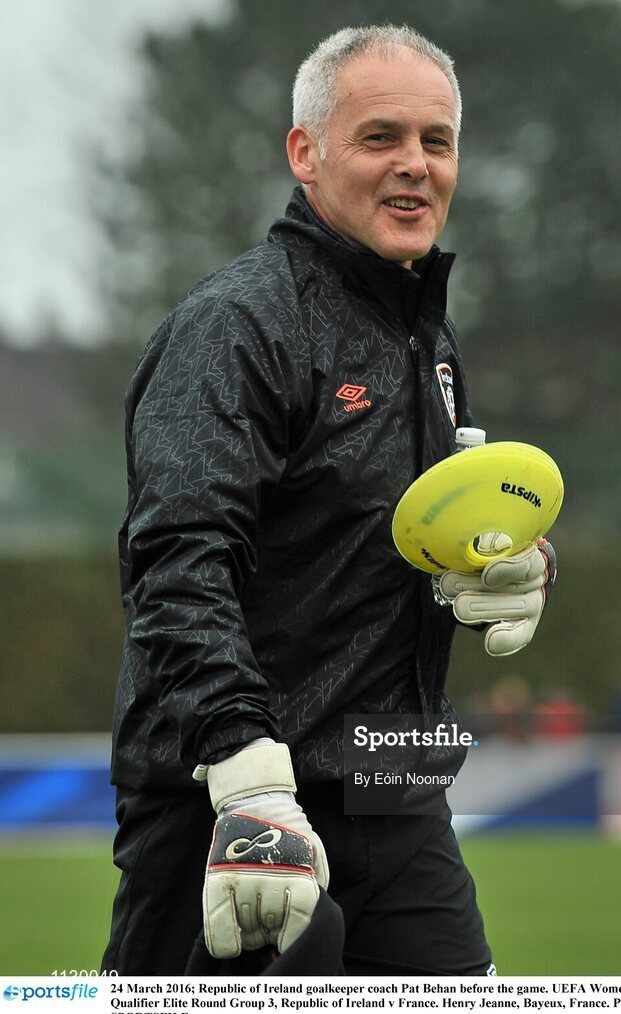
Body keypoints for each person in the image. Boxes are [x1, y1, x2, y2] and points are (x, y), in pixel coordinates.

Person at [102, 24, 556, 977]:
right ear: (305, 154)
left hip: (394, 785)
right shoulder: (237, 324)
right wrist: (245, 777)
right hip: (234, 802)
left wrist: (506, 564)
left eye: (436, 142)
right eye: (380, 137)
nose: (415, 166)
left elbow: (401, 538)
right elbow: (180, 563)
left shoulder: (426, 335)